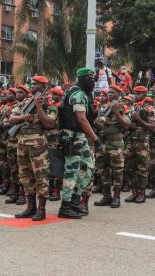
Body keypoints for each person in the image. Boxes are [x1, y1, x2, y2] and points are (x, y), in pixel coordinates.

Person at [10, 76, 56, 221]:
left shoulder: (49, 104)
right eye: (31, 83)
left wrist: (39, 107)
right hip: (22, 143)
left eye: (36, 84)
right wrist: (26, 117)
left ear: (43, 86)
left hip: (38, 144)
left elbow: (49, 124)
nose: (32, 86)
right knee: (24, 175)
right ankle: (30, 207)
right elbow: (12, 119)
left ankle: (41, 209)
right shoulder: (24, 102)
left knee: (41, 176)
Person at [58, 68, 100, 219]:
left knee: (88, 167)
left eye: (92, 79)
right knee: (72, 171)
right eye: (89, 79)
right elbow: (81, 120)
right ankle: (65, 206)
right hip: (72, 137)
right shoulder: (77, 94)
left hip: (79, 137)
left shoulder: (82, 94)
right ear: (81, 79)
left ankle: (75, 202)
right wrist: (95, 139)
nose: (92, 82)